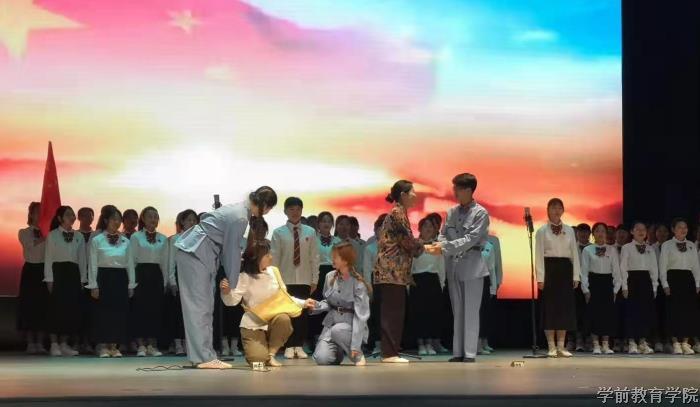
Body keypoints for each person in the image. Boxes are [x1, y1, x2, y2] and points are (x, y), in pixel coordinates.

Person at [175, 186, 277, 369]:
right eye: (269, 208)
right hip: (195, 252)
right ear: (264, 206)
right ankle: (202, 358)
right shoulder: (240, 217)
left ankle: (205, 355)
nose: (268, 212)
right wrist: (232, 281)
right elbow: (231, 250)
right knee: (199, 306)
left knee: (204, 306)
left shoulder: (240, 211)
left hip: (200, 252)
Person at [219, 241, 315, 367]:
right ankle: (259, 352)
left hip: (273, 320)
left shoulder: (274, 272)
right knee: (258, 361)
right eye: (267, 255)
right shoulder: (244, 277)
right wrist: (226, 292)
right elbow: (232, 301)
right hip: (254, 323)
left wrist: (304, 303)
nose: (271, 256)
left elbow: (284, 297)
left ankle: (271, 355)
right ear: (256, 259)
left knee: (284, 319)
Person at [426, 173, 489, 363]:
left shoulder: (480, 213)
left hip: (473, 264)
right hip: (453, 264)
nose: (454, 192)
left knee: (471, 311)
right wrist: (441, 245)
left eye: (457, 189)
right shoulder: (452, 211)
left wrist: (445, 247)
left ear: (468, 190)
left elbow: (471, 239)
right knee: (458, 310)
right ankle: (458, 351)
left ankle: (469, 353)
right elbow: (443, 234)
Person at [374, 180, 424, 363]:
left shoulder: (399, 212)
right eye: (412, 192)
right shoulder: (397, 213)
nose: (415, 195)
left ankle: (391, 351)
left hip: (394, 271)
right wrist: (423, 245)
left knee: (394, 311)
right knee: (392, 313)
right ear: (403, 195)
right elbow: (408, 242)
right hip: (391, 270)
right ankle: (389, 353)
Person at [270, 197, 320, 359]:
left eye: (298, 209)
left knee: (302, 314)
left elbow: (315, 257)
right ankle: (289, 345)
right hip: (285, 279)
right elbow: (274, 259)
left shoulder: (310, 232)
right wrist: (275, 280)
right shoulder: (278, 233)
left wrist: (315, 279)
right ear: (285, 211)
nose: (295, 212)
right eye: (291, 209)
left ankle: (299, 345)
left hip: (304, 278)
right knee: (287, 313)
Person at [87, 206, 136, 358]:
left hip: (120, 278)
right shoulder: (97, 240)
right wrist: (94, 285)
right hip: (103, 277)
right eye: (114, 219)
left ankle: (114, 346)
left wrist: (131, 284)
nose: (117, 222)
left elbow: (130, 263)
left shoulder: (125, 241)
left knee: (119, 313)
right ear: (106, 220)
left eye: (119, 219)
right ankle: (103, 346)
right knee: (103, 313)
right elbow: (92, 264)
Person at [311, 242, 371, 366]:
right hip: (332, 323)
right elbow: (329, 302)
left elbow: (361, 316)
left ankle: (357, 355)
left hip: (350, 327)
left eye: (335, 257)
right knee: (321, 358)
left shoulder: (357, 283)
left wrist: (355, 346)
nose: (332, 259)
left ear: (345, 260)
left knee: (337, 330)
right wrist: (315, 306)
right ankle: (337, 351)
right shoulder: (329, 277)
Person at [534, 198, 580, 358]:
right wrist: (540, 277)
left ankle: (561, 346)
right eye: (553, 207)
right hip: (549, 269)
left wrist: (576, 275)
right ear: (547, 210)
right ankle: (551, 346)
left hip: (565, 269)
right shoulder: (541, 231)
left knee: (564, 309)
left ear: (563, 210)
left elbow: (574, 253)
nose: (556, 210)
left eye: (559, 208)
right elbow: (538, 255)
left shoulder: (569, 230)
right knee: (550, 309)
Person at [44, 206, 86, 356]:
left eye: (73, 215)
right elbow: (48, 258)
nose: (72, 217)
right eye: (68, 215)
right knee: (56, 309)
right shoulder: (53, 235)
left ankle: (64, 343)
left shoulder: (79, 236)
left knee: (70, 309)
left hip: (73, 273)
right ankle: (54, 344)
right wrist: (49, 279)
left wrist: (82, 279)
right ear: (60, 218)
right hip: (58, 273)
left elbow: (82, 259)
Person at [129, 207, 169, 357]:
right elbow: (131, 261)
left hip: (156, 275)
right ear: (143, 219)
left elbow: (165, 262)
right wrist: (131, 282)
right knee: (140, 309)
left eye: (156, 217)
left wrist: (165, 282)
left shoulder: (163, 238)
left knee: (155, 310)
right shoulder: (136, 237)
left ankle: (152, 345)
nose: (153, 219)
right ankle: (141, 345)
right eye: (150, 216)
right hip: (141, 274)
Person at [659, 218, 700, 355]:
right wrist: (665, 283)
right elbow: (663, 266)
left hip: (688, 279)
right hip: (673, 278)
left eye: (685, 227)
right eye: (680, 227)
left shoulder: (691, 245)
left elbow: (696, 266)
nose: (683, 230)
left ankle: (685, 342)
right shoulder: (667, 245)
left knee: (688, 312)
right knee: (674, 311)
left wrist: (697, 283)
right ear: (673, 229)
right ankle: (675, 342)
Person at [580, 223, 621, 355]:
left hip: (607, 283)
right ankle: (596, 344)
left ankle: (605, 344)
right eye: (597, 231)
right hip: (594, 283)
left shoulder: (612, 250)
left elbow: (616, 271)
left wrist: (616, 289)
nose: (600, 233)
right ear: (593, 234)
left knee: (607, 314)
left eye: (603, 231)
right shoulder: (587, 250)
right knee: (594, 314)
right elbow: (584, 271)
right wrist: (586, 290)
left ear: (606, 234)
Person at [409, 216, 445, 356]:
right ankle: (421, 344)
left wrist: (441, 284)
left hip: (433, 281)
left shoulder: (436, 246)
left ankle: (429, 343)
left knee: (431, 314)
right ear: (419, 229)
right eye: (425, 226)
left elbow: (441, 267)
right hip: (417, 281)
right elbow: (409, 266)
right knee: (419, 314)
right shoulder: (414, 245)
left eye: (431, 226)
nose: (428, 229)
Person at [620, 222, 657, 354]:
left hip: (646, 280)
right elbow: (623, 267)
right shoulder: (626, 248)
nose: (641, 232)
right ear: (632, 231)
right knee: (631, 311)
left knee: (644, 312)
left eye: (643, 229)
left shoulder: (650, 248)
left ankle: (642, 341)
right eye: (638, 229)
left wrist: (654, 286)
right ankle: (631, 342)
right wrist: (624, 286)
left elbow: (654, 268)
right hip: (632, 280)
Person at [16, 202, 48, 354]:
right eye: (37, 212)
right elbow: (30, 245)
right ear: (31, 214)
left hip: (44, 270)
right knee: (28, 306)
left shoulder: (49, 233)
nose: (40, 215)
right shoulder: (24, 231)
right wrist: (45, 236)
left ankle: (40, 343)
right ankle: (30, 343)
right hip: (30, 270)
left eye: (43, 212)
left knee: (42, 306)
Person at [362, 213, 387, 354]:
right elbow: (366, 270)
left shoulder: (393, 248)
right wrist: (369, 289)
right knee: (376, 314)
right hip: (375, 283)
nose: (383, 231)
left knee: (388, 314)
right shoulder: (370, 248)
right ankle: (377, 343)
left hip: (389, 282)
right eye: (380, 228)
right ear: (375, 230)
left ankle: (388, 343)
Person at [479, 234, 502, 355]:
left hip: (485, 280)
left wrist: (494, 286)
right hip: (471, 279)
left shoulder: (490, 244)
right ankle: (475, 343)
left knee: (484, 313)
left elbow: (493, 266)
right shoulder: (466, 241)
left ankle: (482, 341)